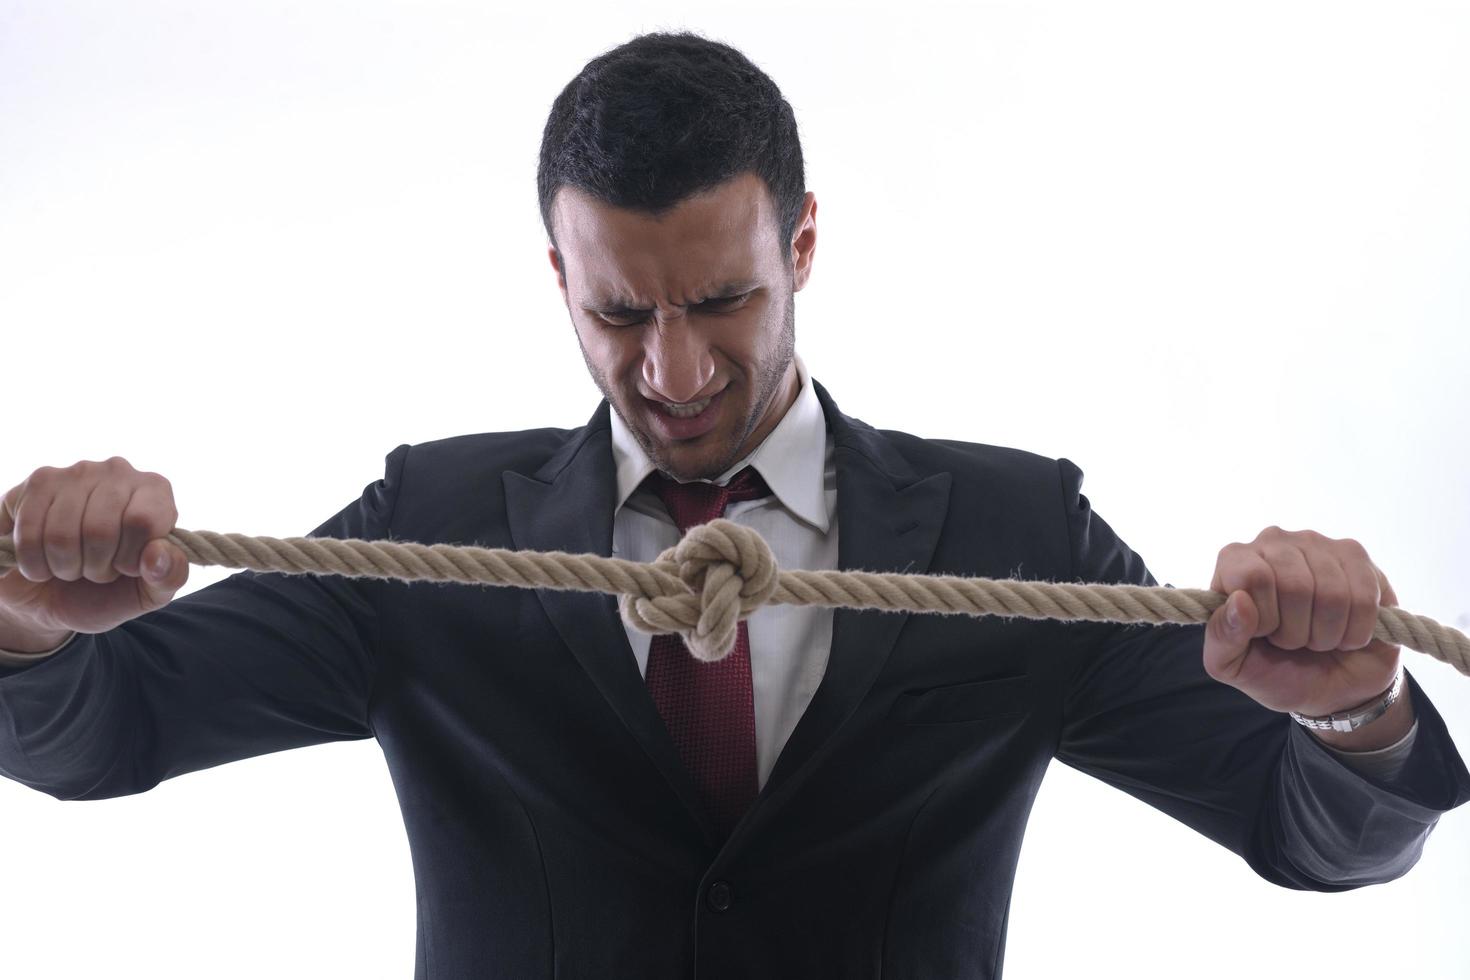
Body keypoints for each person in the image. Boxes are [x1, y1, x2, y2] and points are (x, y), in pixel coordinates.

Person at [1, 30, 1467, 980]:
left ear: (803, 244)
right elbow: (104, 733)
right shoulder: (432, 522)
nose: (676, 367)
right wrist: (24, 627)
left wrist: (1349, 711)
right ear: (556, 277)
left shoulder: (1013, 531)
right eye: (620, 312)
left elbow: (1314, 839)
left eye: (721, 300)